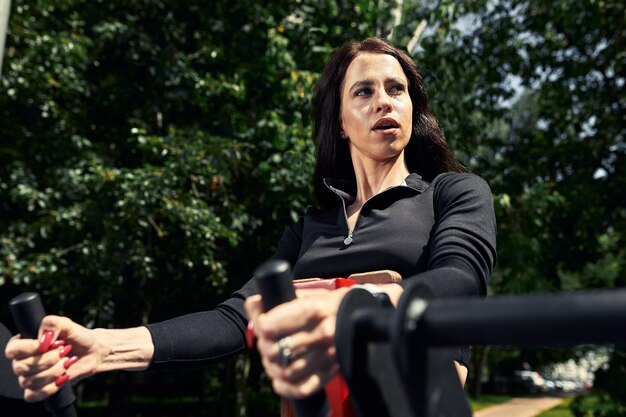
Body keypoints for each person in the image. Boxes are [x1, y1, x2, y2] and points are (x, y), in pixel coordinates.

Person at [5, 37, 496, 404]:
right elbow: (232, 319)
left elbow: (459, 281)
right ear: (340, 123)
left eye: (397, 89)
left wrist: (350, 305)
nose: (384, 101)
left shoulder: (452, 193)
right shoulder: (310, 229)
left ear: (413, 109)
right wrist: (104, 347)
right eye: (363, 92)